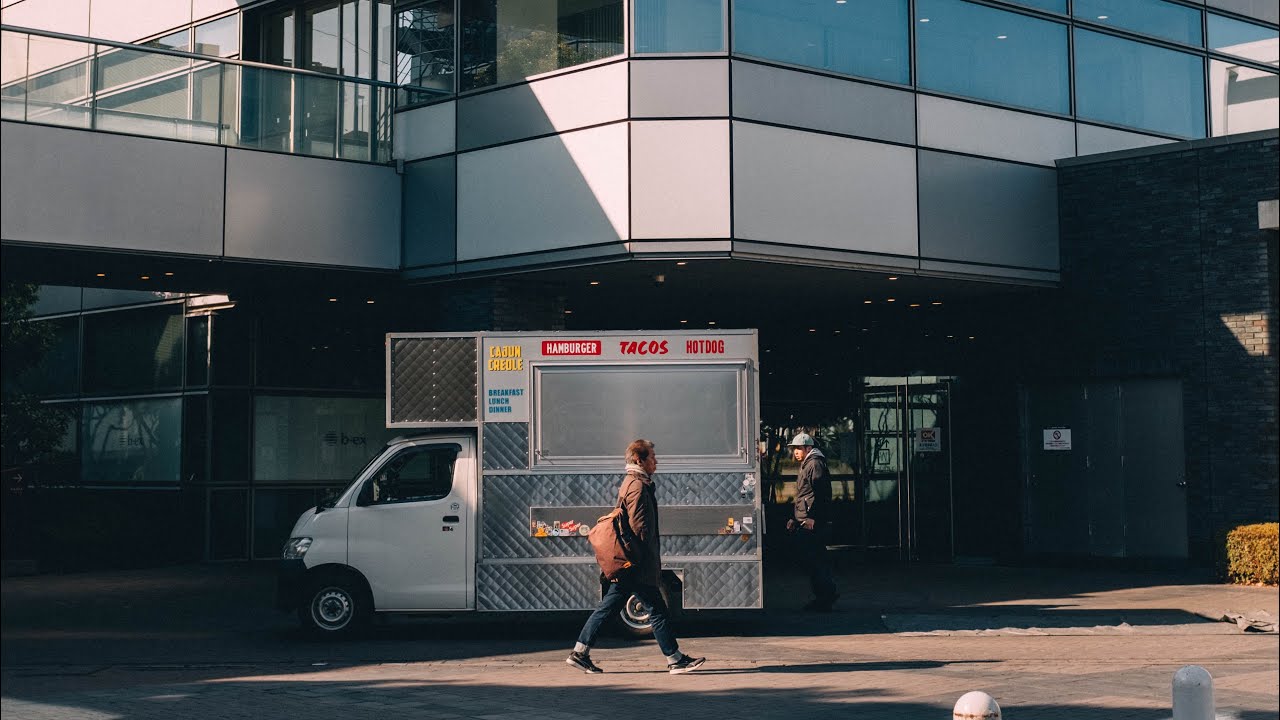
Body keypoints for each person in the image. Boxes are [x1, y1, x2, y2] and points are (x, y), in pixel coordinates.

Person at [567, 439, 706, 674]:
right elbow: (640, 530)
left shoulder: (631, 483)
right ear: (639, 460)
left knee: (609, 608)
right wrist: (640, 563)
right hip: (636, 564)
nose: (656, 460)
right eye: (652, 456)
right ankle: (675, 660)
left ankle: (580, 653)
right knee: (657, 610)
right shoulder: (638, 487)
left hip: (631, 563)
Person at [786, 432, 839, 611]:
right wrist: (795, 518)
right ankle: (825, 596)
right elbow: (804, 495)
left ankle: (826, 596)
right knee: (814, 559)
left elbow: (821, 494)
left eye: (798, 449)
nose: (795, 452)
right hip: (806, 520)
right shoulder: (808, 464)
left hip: (812, 523)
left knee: (815, 560)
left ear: (808, 448)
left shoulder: (814, 464)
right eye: (794, 449)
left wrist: (812, 518)